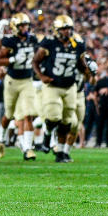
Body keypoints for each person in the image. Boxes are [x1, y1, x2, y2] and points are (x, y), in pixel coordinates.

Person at [33, 15, 90, 163]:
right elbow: (35, 61)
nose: (67, 31)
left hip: (70, 86)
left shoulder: (77, 45)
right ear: (57, 30)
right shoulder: (49, 43)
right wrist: (41, 76)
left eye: (69, 28)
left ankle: (60, 152)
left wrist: (89, 71)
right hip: (52, 85)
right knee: (53, 117)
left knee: (66, 122)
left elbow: (81, 65)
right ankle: (47, 134)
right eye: (64, 29)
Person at [0, 12, 39, 160]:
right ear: (15, 27)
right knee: (8, 115)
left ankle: (28, 148)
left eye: (26, 25)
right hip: (12, 81)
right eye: (21, 25)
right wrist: (13, 59)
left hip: (27, 80)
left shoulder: (33, 39)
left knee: (28, 114)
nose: (24, 28)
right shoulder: (10, 41)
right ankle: (1, 140)